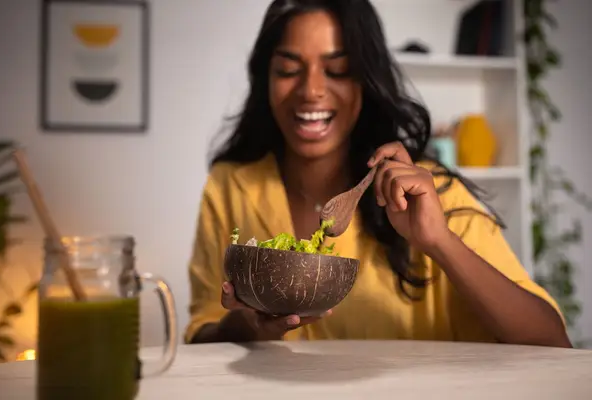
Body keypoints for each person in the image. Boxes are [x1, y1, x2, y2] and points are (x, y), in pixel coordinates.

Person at [184, 0, 571, 347]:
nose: (311, 90)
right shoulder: (230, 185)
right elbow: (202, 331)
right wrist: (248, 326)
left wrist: (439, 241)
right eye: (288, 69)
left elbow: (552, 342)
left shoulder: (427, 194)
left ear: (366, 83)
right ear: (265, 79)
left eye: (337, 70)